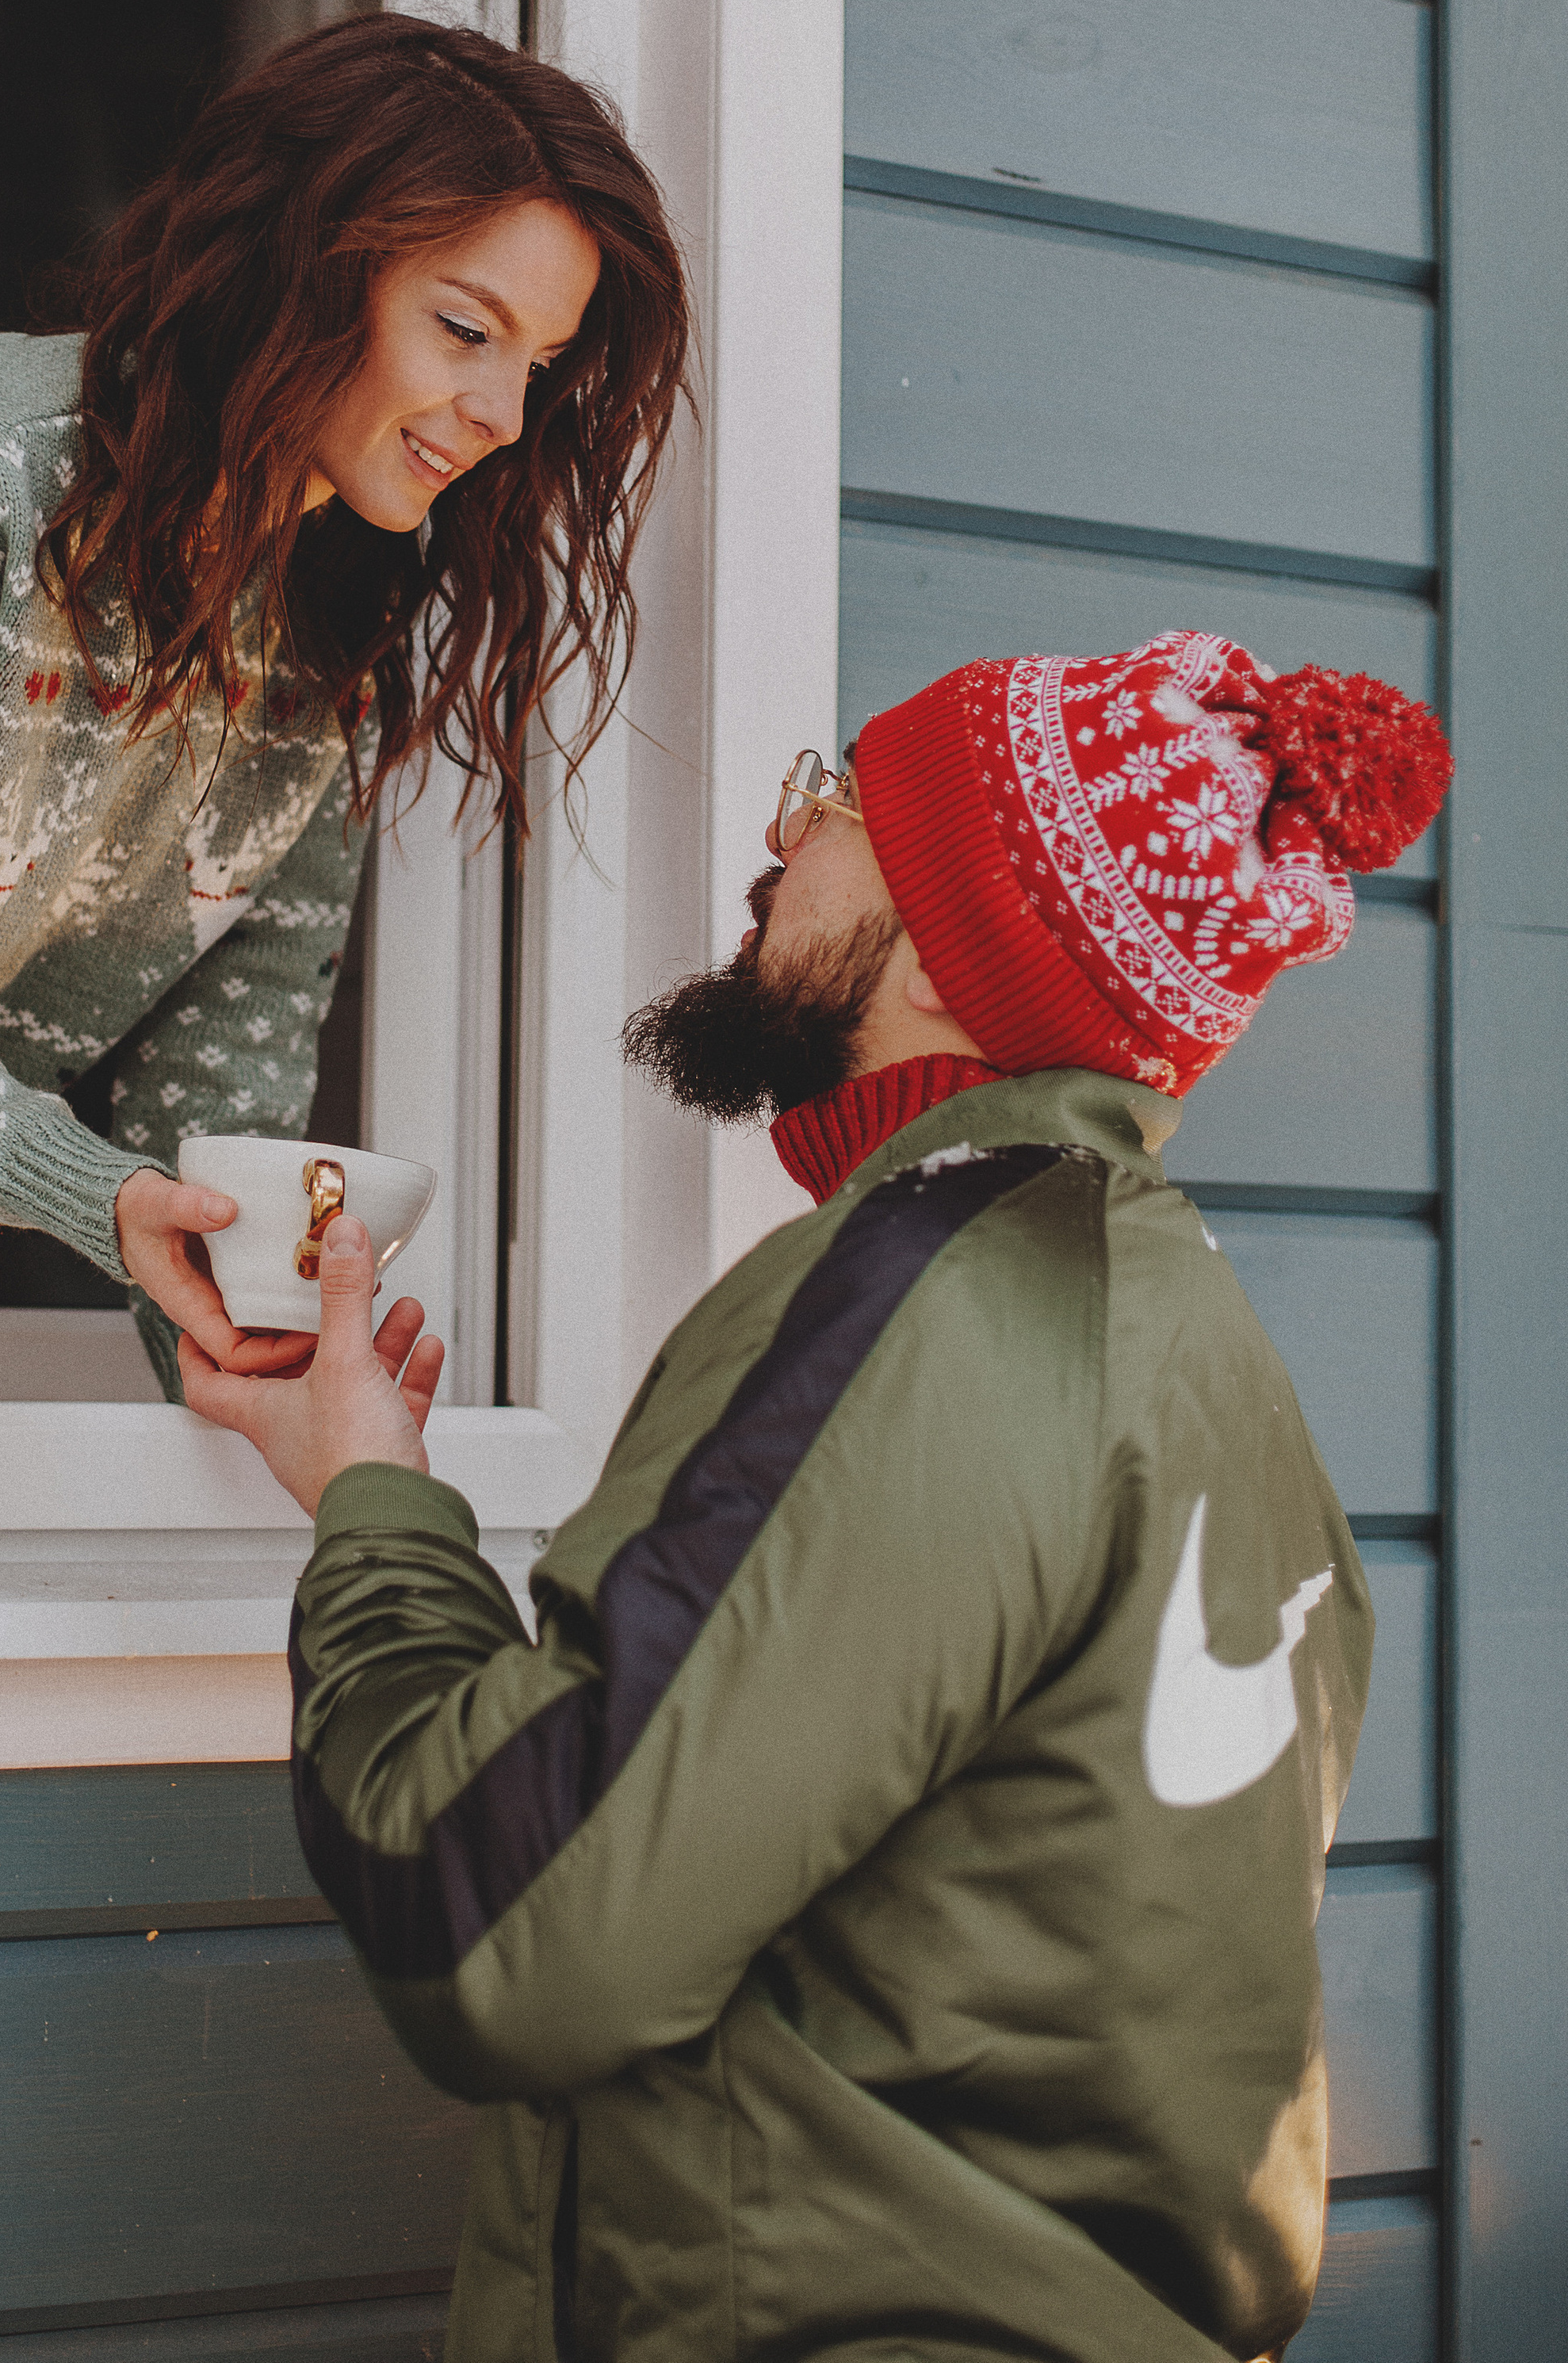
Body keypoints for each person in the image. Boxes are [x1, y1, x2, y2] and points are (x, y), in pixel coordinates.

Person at [180, 629, 1453, 2363]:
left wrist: (376, 1508)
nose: (778, 844)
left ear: (951, 938)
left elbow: (518, 1928)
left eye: (834, 799)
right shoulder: (1198, 1349)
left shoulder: (914, 1299)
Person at [0, 14, 690, 1398]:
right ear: (300, 268)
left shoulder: (322, 645)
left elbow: (220, 1087)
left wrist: (245, 1332)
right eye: (465, 328)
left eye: (540, 364)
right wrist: (91, 1191)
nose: (503, 409)